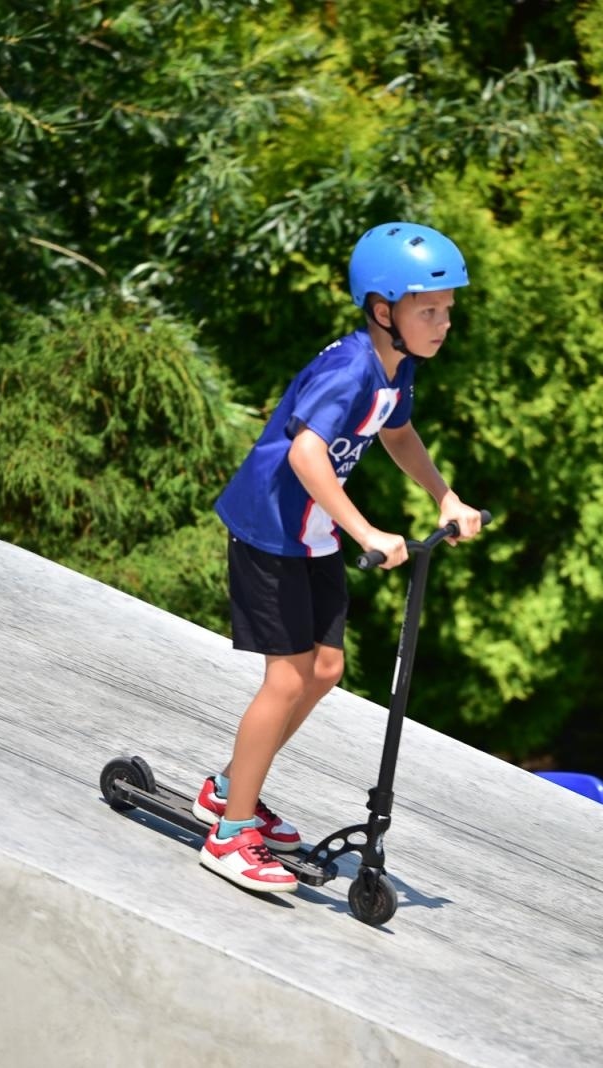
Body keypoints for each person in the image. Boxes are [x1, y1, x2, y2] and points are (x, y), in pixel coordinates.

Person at [196, 222, 485, 893]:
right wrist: (366, 533)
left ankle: (228, 790)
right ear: (384, 311)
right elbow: (304, 453)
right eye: (429, 311)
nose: (443, 323)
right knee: (288, 678)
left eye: (447, 311)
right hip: (270, 530)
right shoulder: (350, 367)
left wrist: (445, 496)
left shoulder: (396, 368)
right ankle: (229, 835)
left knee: (326, 667)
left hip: (312, 534)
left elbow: (399, 432)